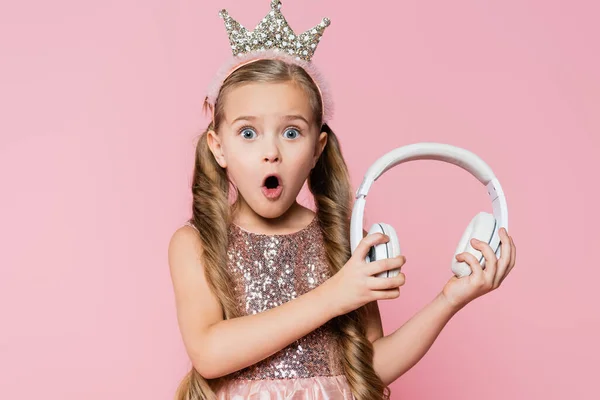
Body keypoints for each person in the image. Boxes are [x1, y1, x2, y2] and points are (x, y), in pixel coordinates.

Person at [168, 1, 517, 399]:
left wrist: (448, 301)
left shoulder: (348, 240)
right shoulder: (197, 243)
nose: (271, 152)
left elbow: (371, 368)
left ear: (317, 149)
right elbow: (210, 353)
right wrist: (335, 295)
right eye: (248, 133)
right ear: (218, 146)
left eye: (291, 132)